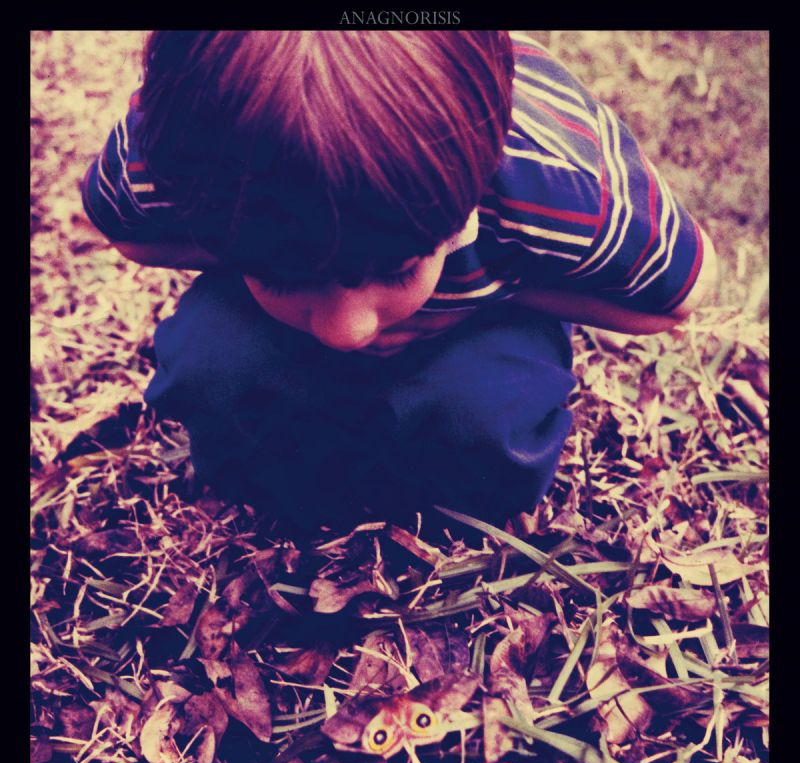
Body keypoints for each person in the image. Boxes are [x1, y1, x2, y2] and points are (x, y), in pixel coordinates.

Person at [81, 31, 717, 531]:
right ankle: (275, 496)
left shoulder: (561, 185)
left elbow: (677, 300)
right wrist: (244, 248)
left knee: (484, 410)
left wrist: (493, 285)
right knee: (212, 364)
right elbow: (128, 234)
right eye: (285, 276)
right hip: (269, 305)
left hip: (481, 321)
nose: (347, 330)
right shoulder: (184, 144)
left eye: (397, 268)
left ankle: (459, 511)